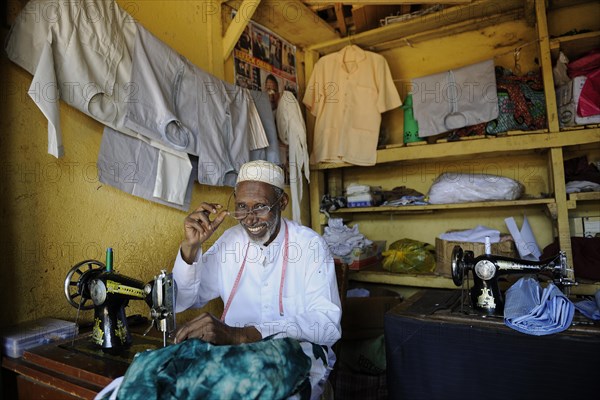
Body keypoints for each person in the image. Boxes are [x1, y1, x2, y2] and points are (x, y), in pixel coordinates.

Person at [172, 160, 342, 399]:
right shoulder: (231, 242)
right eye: (242, 206)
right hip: (235, 355)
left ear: (282, 202)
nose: (249, 219)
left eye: (260, 207)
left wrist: (242, 335)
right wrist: (190, 248)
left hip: (300, 358)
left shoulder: (310, 246)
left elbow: (326, 324)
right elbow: (183, 300)